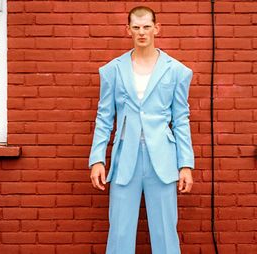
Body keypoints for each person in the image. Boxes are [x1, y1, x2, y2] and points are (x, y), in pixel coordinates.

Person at [88, 6, 194, 254]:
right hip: (125, 158)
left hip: (163, 159)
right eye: (136, 27)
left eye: (147, 26)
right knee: (120, 232)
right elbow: (104, 117)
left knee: (166, 232)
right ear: (128, 31)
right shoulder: (112, 70)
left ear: (157, 28)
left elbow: (181, 119)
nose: (142, 32)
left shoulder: (177, 71)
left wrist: (185, 164)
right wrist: (97, 159)